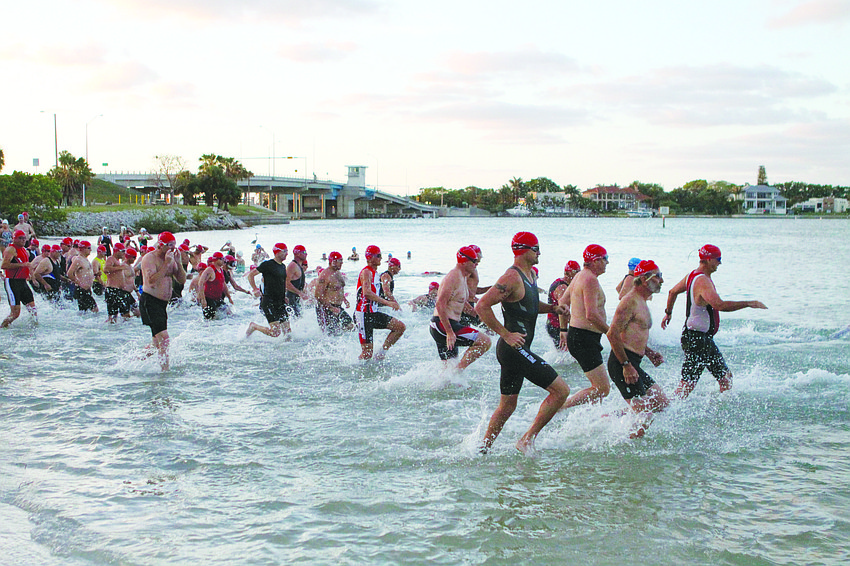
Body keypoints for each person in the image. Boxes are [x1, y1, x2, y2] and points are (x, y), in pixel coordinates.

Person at [475, 232, 570, 455]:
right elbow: (482, 306)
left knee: (508, 405)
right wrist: (505, 334)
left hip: (518, 349)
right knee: (561, 391)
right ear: (524, 250)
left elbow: (530, 303)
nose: (539, 252)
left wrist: (553, 308)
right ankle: (527, 439)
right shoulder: (511, 277)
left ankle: (483, 449)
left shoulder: (530, 275)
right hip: (513, 348)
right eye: (536, 248)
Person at [661, 244, 767, 398]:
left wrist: (668, 313)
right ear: (708, 259)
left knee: (725, 379)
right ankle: (662, 410)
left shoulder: (692, 275)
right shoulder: (703, 281)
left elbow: (672, 292)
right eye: (718, 259)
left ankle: (720, 412)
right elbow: (720, 305)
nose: (720, 263)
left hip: (699, 338)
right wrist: (749, 303)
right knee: (686, 387)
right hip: (697, 339)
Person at [606, 259, 670, 438]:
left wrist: (649, 353)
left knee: (661, 403)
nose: (662, 281)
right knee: (645, 416)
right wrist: (626, 365)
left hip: (634, 363)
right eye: (658, 277)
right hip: (622, 363)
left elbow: (634, 333)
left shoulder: (642, 301)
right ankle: (628, 453)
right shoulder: (629, 302)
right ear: (644, 279)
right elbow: (612, 334)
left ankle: (606, 420)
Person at [559, 244, 611, 410]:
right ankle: (560, 407)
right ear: (596, 261)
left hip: (580, 336)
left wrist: (563, 330)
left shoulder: (580, 276)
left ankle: (593, 418)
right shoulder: (590, 279)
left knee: (598, 387)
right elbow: (591, 315)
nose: (607, 263)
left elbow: (562, 303)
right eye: (605, 259)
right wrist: (611, 332)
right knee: (602, 388)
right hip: (584, 339)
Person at [429, 246, 492, 370]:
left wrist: (478, 316)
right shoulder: (453, 277)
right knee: (485, 342)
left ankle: (446, 381)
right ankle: (457, 372)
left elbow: (461, 304)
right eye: (474, 261)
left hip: (445, 325)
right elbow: (440, 304)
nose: (476, 264)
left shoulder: (462, 276)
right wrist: (449, 332)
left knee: (448, 368)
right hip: (442, 325)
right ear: (464, 261)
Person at [139, 231, 187, 370]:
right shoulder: (150, 258)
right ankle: (164, 372)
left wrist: (178, 262)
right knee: (164, 339)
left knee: (156, 344)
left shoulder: (171, 258)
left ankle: (133, 361)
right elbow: (152, 281)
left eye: (174, 246)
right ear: (160, 245)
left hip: (162, 304)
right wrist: (167, 263)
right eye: (169, 246)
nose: (173, 249)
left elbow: (181, 279)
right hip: (150, 301)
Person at [354, 245, 405, 360]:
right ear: (369, 257)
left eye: (380, 256)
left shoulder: (376, 273)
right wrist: (388, 303)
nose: (381, 258)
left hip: (373, 313)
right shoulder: (367, 272)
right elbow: (367, 293)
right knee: (367, 354)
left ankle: (381, 353)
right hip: (363, 315)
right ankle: (356, 371)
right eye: (378, 256)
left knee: (400, 327)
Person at [247, 243, 292, 339]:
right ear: (277, 252)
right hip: (269, 302)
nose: (287, 254)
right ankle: (254, 326)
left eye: (287, 251)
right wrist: (255, 289)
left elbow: (281, 283)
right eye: (284, 251)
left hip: (280, 301)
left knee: (288, 333)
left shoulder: (283, 266)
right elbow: (251, 275)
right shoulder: (268, 264)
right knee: (275, 332)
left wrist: (284, 296)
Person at [1, 230, 37, 327]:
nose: (23, 240)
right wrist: (22, 265)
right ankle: (2, 328)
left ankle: (33, 332)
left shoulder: (24, 250)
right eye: (20, 238)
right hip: (12, 282)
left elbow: (26, 265)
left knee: (33, 310)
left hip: (23, 282)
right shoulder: (11, 249)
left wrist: (30, 275)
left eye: (24, 238)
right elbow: (4, 265)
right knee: (15, 314)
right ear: (14, 238)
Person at [314, 251, 354, 336]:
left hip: (337, 307)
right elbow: (318, 295)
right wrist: (331, 308)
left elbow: (337, 289)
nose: (342, 263)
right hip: (327, 308)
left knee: (351, 327)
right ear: (333, 261)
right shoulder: (325, 275)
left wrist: (344, 299)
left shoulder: (337, 272)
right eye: (340, 260)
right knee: (332, 335)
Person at [545, 260, 580, 348]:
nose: (578, 275)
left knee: (565, 352)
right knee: (565, 353)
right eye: (576, 273)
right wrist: (564, 330)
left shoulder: (564, 283)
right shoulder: (562, 288)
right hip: (556, 326)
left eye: (579, 272)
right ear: (567, 274)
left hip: (554, 324)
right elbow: (562, 310)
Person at [198, 252, 233, 320]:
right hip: (209, 299)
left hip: (218, 299)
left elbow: (223, 285)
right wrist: (203, 299)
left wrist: (229, 297)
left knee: (229, 313)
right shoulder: (210, 270)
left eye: (223, 259)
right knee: (209, 320)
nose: (223, 260)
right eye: (221, 259)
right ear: (216, 260)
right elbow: (200, 283)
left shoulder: (221, 270)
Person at [67, 241, 99, 312]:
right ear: (83, 249)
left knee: (84, 312)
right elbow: (69, 273)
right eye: (89, 248)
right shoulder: (78, 259)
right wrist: (78, 283)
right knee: (95, 310)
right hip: (81, 290)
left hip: (86, 290)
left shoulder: (85, 259)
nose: (91, 250)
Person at [286, 245, 310, 318]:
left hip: (296, 299)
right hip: (290, 299)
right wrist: (300, 293)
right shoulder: (292, 266)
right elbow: (286, 283)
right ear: (298, 254)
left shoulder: (299, 266)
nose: (306, 254)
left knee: (299, 320)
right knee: (296, 320)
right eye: (304, 252)